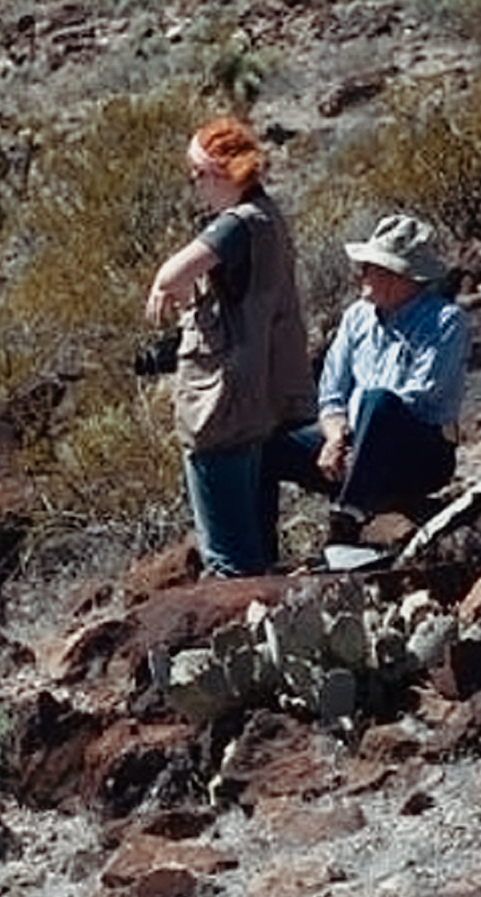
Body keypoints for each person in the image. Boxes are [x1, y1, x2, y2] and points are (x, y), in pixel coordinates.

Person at [145, 116, 314, 577]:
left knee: (229, 560)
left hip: (222, 407)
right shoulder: (268, 217)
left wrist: (166, 287)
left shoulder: (237, 225)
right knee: (256, 549)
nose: (195, 185)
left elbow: (171, 274)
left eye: (197, 174)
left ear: (221, 172)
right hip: (258, 401)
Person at [262, 214, 470, 552]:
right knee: (267, 449)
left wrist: (360, 441)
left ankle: (347, 518)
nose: (360, 274)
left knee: (380, 401)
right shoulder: (356, 317)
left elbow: (417, 399)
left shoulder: (446, 322)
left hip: (418, 452)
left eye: (370, 267)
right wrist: (334, 438)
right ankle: (260, 556)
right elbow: (331, 392)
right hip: (352, 444)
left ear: (397, 275)